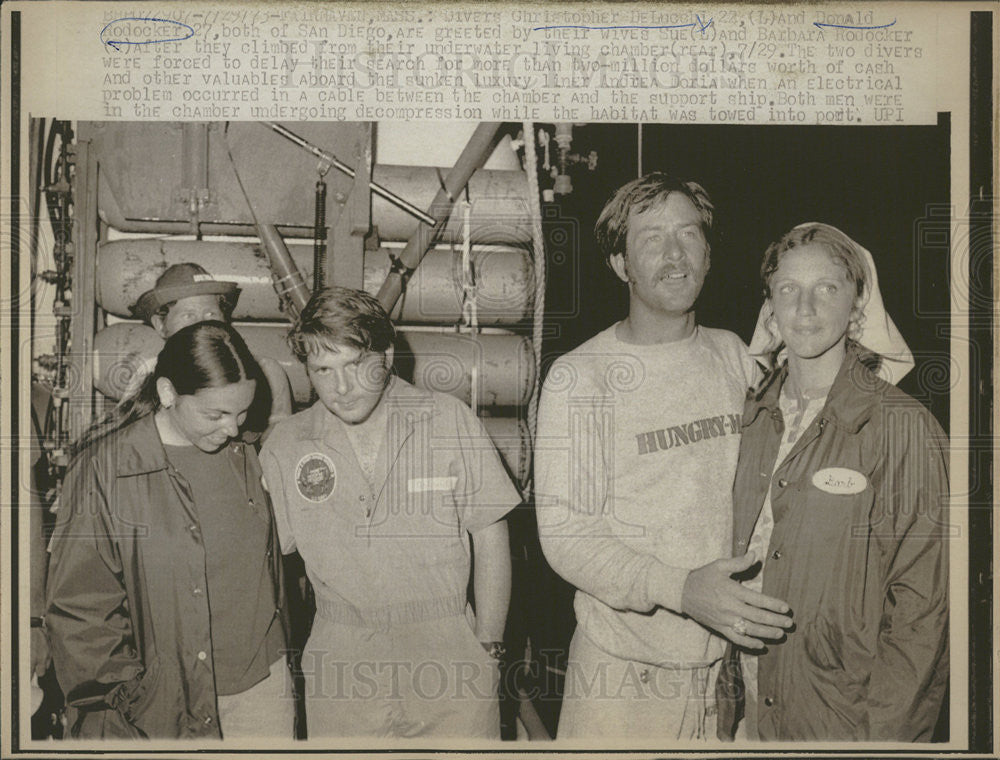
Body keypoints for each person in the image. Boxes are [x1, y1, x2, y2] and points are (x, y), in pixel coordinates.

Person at [534, 173, 793, 740]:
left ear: (708, 250)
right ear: (620, 264)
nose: (675, 255)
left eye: (689, 234)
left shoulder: (736, 356)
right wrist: (680, 590)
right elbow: (566, 535)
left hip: (732, 676)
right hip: (625, 682)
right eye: (652, 238)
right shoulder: (581, 378)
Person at [716, 222, 949, 741]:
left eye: (827, 288)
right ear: (769, 307)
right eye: (788, 290)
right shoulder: (752, 417)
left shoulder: (900, 427)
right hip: (749, 712)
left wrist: (884, 743)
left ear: (858, 303)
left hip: (841, 723)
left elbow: (922, 615)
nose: (805, 309)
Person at [259, 287, 520, 739]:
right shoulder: (287, 445)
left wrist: (489, 646)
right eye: (324, 370)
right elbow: (264, 564)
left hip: (447, 649)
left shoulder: (446, 419)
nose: (341, 388)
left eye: (357, 365)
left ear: (387, 353)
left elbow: (491, 532)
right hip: (341, 658)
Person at [46, 322, 294, 739]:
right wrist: (128, 701)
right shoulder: (106, 471)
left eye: (242, 412)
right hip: (163, 706)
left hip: (263, 691)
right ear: (167, 393)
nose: (232, 429)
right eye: (214, 414)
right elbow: (80, 611)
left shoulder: (247, 453)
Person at [127, 262, 293, 429]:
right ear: (160, 325)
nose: (201, 324)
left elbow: (278, 442)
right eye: (188, 315)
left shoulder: (265, 372)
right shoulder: (147, 373)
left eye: (211, 314)